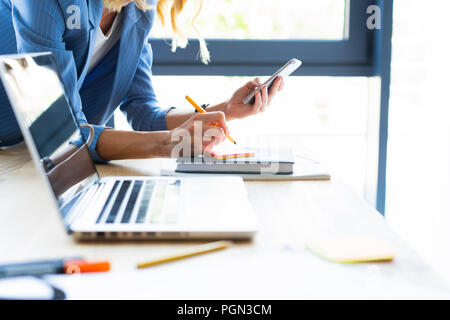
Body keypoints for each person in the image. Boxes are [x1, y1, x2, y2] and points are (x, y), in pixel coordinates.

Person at [0, 0, 284, 162]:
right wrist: (167, 144)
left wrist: (226, 109)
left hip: (31, 160)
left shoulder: (138, 10)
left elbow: (145, 114)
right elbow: (61, 135)